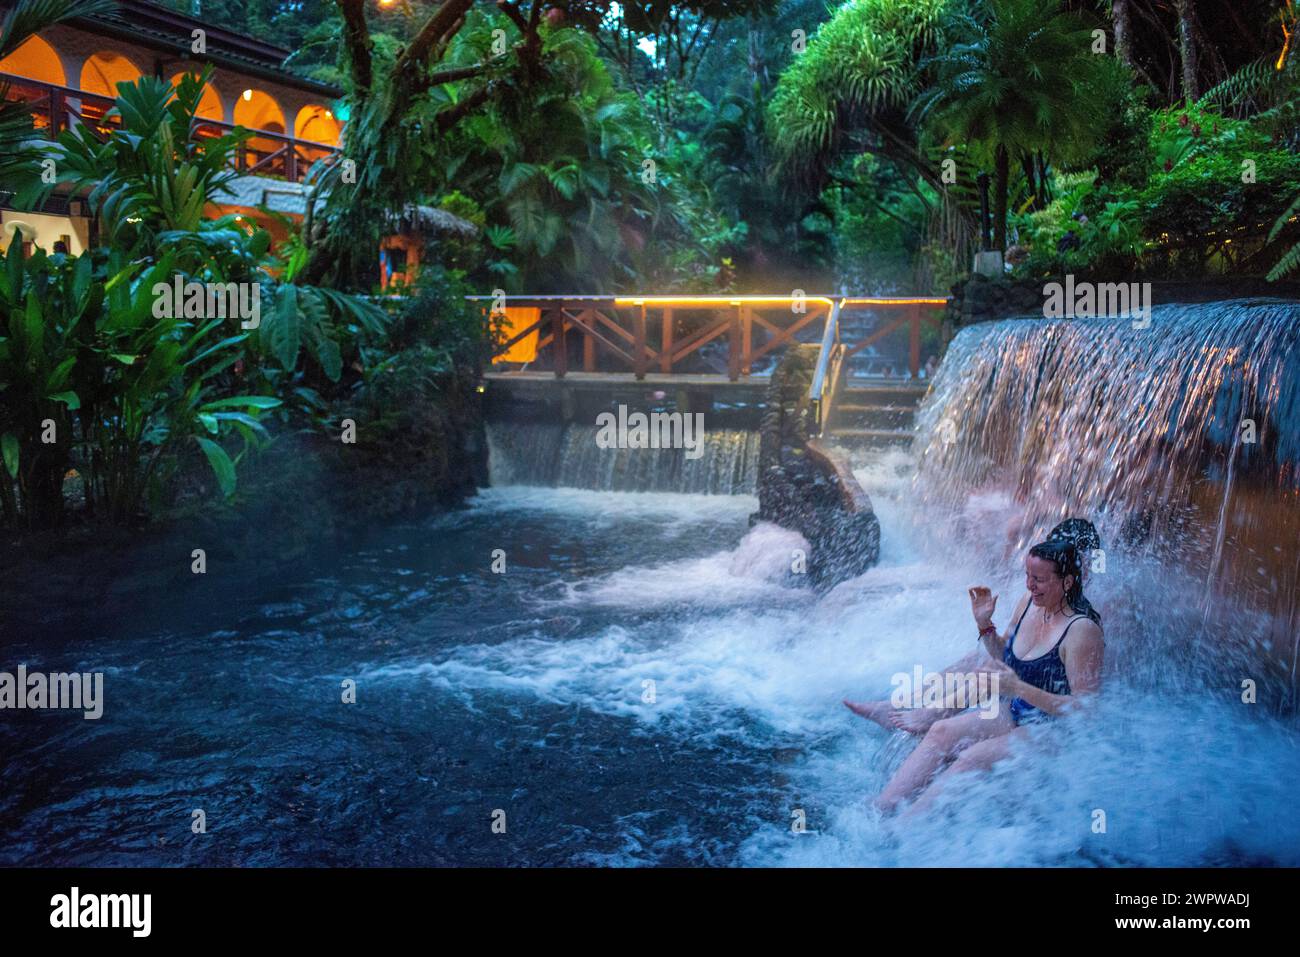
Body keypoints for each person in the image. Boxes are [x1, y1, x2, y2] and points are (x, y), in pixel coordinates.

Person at [844, 517, 1101, 735]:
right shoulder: (1036, 598)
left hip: (1048, 702)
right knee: (979, 657)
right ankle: (902, 705)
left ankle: (927, 713)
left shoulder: (1091, 611)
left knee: (989, 665)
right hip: (1030, 684)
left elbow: (1084, 694)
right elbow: (1008, 650)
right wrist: (985, 625)